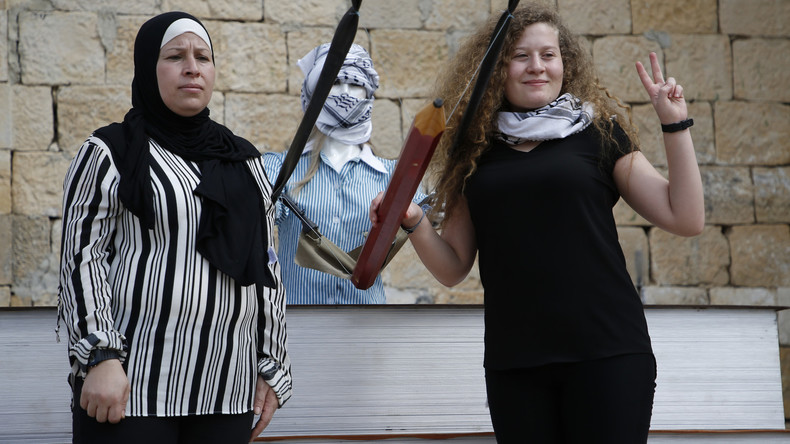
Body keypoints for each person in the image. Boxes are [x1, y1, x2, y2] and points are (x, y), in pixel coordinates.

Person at [371, 3, 704, 443]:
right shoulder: (473, 152)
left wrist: (675, 125)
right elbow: (453, 268)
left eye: (549, 55)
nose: (537, 67)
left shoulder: (599, 134)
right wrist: (414, 221)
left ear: (565, 63)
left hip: (608, 352)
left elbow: (686, 218)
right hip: (515, 362)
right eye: (520, 56)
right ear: (497, 68)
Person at [58, 12, 291, 444]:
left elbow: (267, 267)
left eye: (203, 57)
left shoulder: (243, 160)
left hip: (227, 387)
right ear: (149, 67)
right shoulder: (111, 151)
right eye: (175, 56)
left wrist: (272, 364)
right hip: (131, 386)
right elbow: (82, 259)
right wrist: (100, 355)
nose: (192, 68)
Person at [264, 43, 423, 304]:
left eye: (356, 84)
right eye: (336, 83)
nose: (346, 93)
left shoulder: (393, 175)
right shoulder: (279, 168)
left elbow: (431, 227)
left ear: (368, 94)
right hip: (299, 322)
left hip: (366, 323)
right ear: (316, 93)